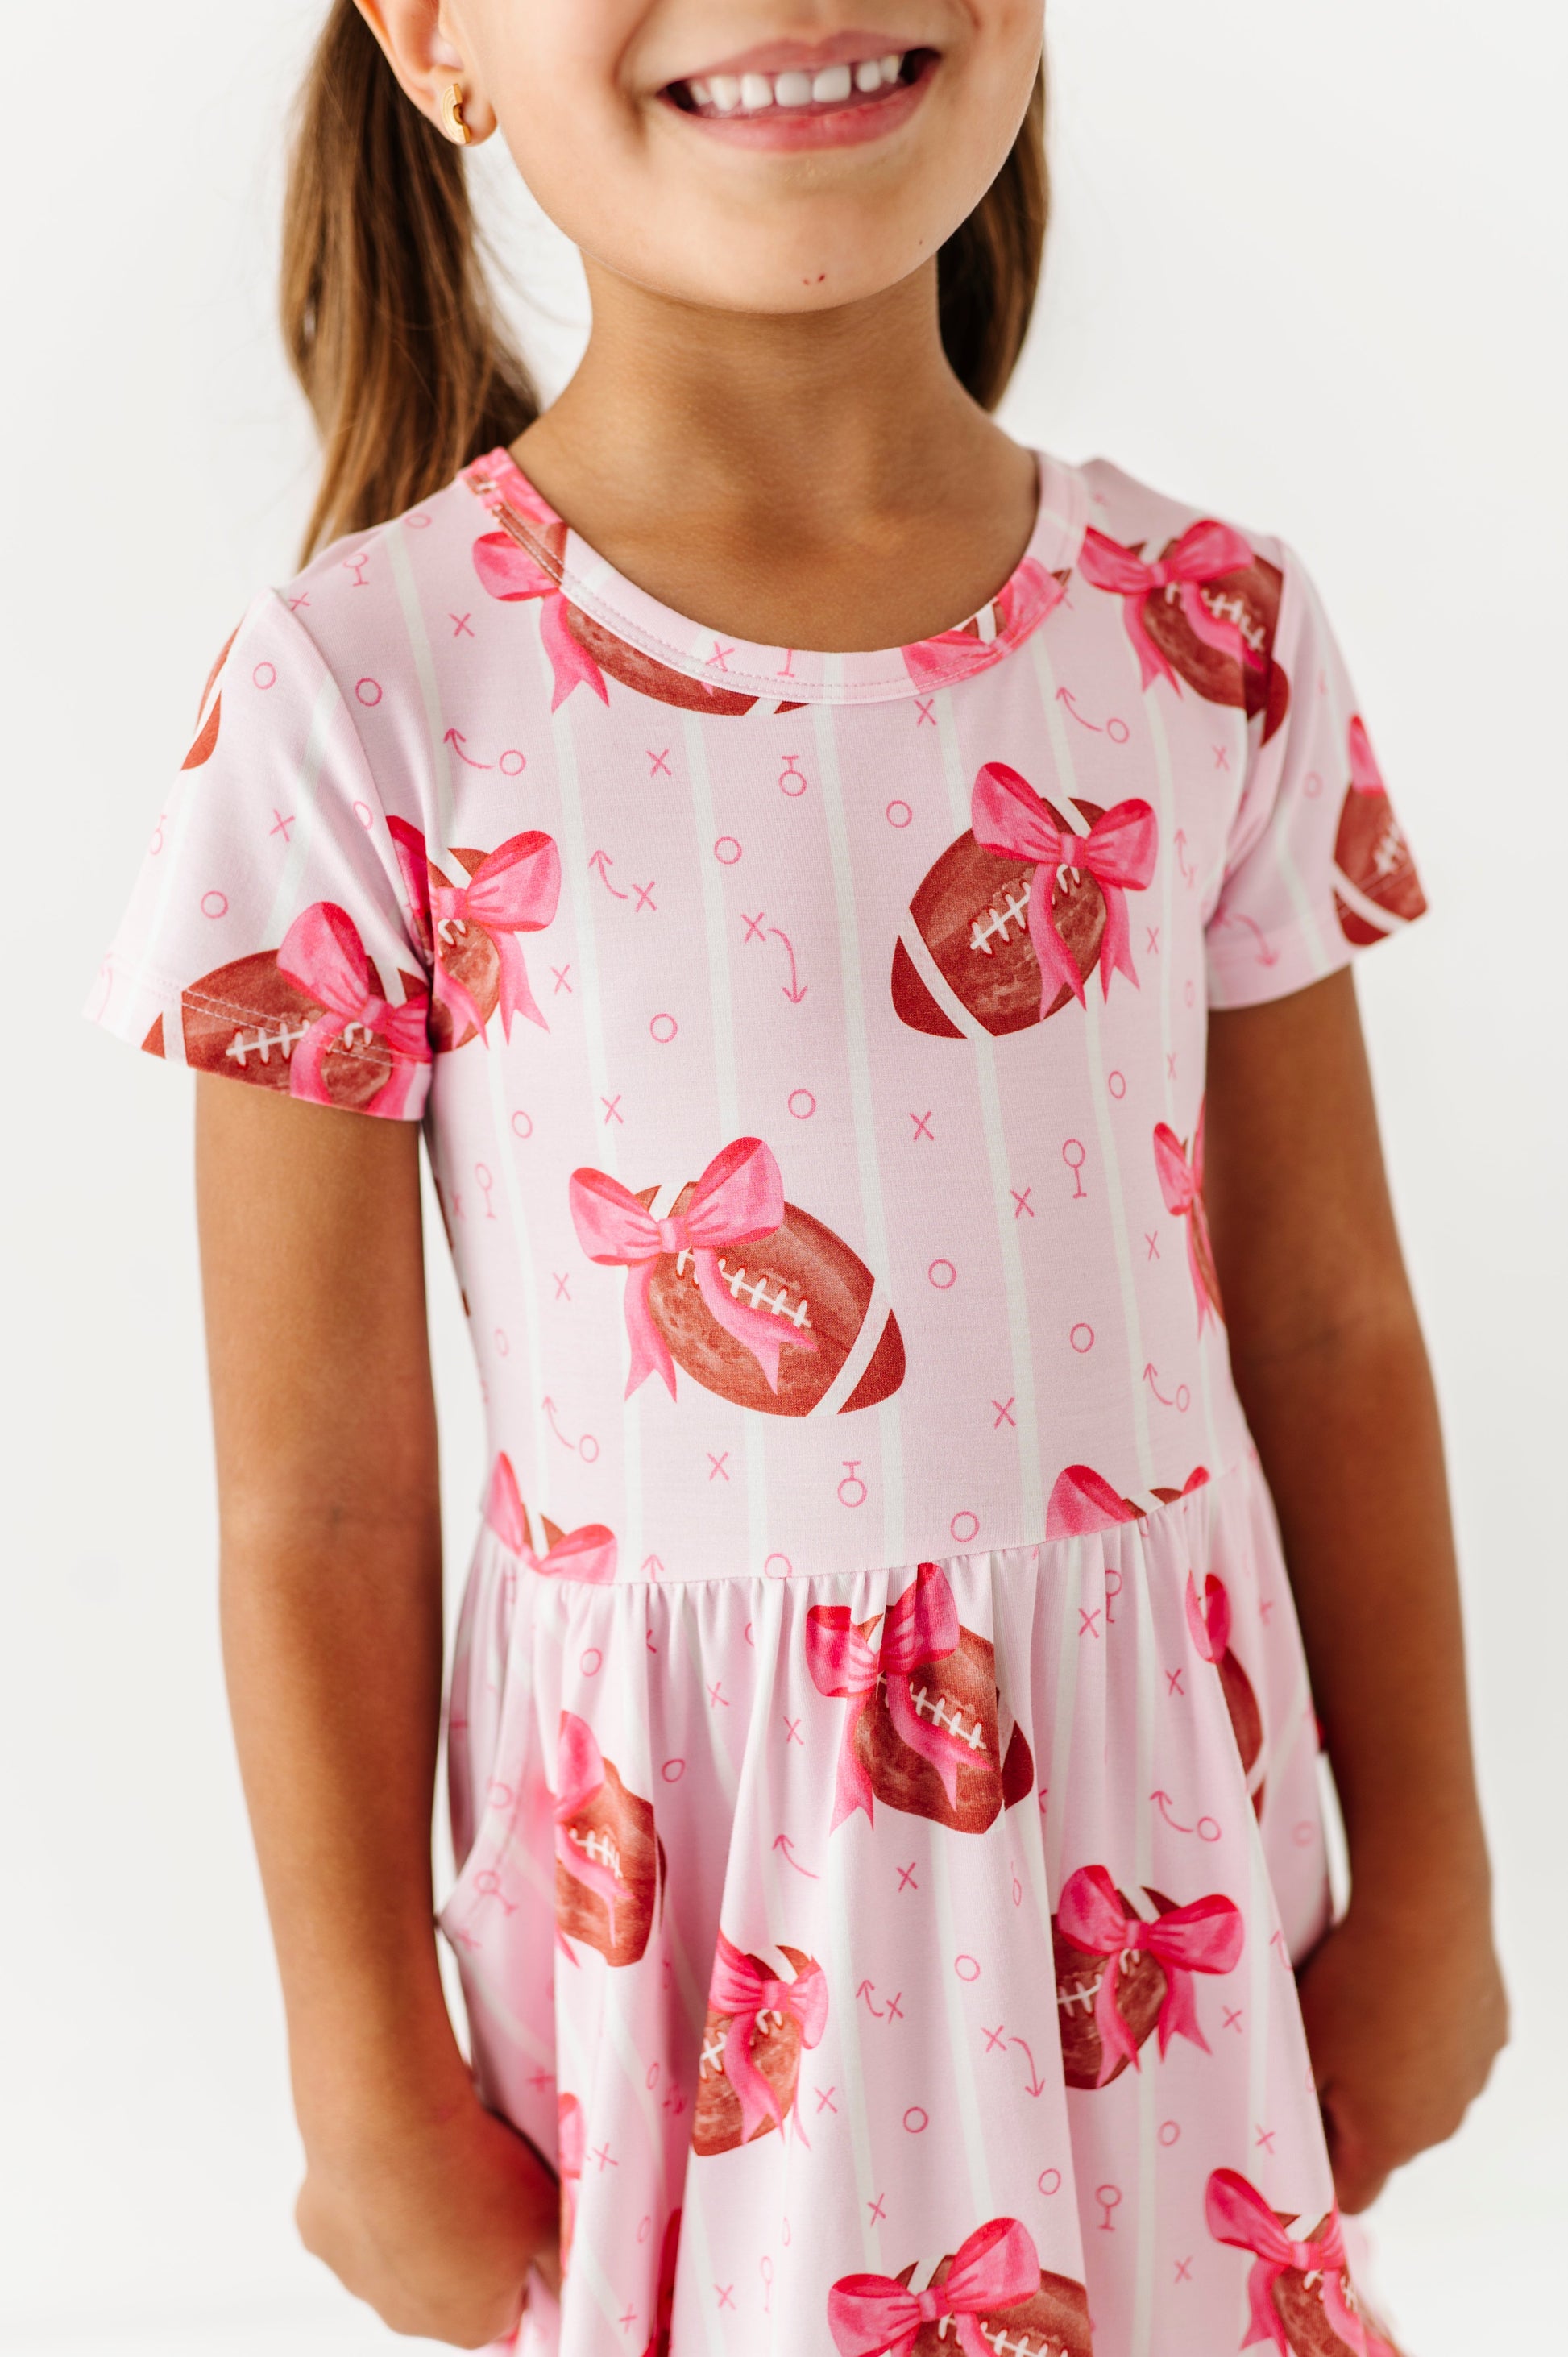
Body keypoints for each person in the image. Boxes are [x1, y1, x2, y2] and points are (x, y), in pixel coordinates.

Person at [86, 3, 1506, 2351]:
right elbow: (317, 1496)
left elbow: (1335, 1315)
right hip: (694, 1945)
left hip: (1146, 1886)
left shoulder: (1209, 635)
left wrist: (1437, 1873)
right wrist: (358, 2073)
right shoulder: (360, 695)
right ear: (435, 39)